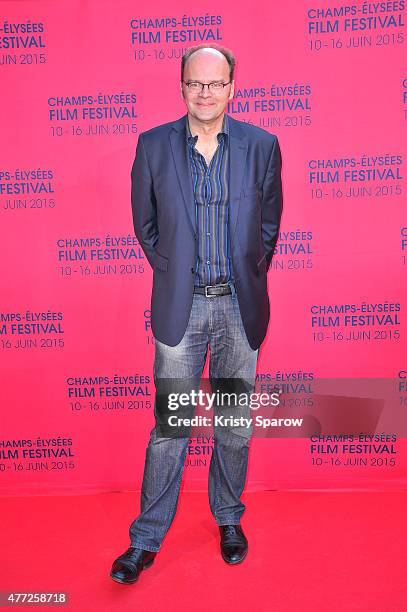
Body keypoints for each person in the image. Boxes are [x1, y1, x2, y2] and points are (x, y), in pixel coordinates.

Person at [110, 43, 283, 585]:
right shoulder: (153, 145)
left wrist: (251, 270)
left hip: (238, 306)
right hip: (180, 309)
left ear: (233, 87)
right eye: (195, 83)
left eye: (215, 83)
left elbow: (271, 222)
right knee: (171, 428)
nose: (204, 93)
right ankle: (145, 539)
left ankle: (229, 520)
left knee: (233, 425)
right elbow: (145, 222)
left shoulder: (261, 146)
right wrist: (171, 267)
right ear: (182, 86)